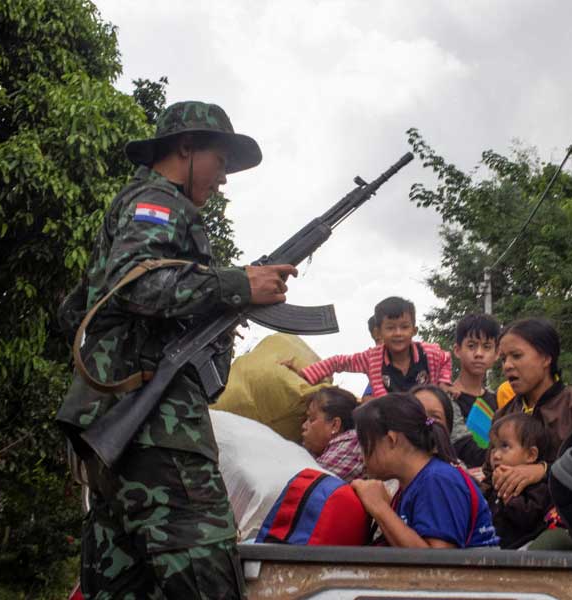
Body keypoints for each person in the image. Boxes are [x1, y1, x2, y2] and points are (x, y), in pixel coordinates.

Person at [56, 101, 296, 599]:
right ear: (186, 147)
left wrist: (211, 316)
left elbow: (77, 309)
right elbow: (137, 285)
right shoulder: (158, 202)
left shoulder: (139, 207)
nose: (223, 179)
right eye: (220, 162)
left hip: (120, 435)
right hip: (157, 434)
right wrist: (238, 284)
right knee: (208, 577)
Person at [350, 393, 499, 548]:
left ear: (391, 440)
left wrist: (379, 507)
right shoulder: (417, 481)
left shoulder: (438, 480)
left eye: (364, 444)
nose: (361, 456)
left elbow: (437, 559)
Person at [489, 318, 572, 502]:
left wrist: (544, 470)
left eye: (516, 356)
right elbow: (488, 472)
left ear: (546, 358)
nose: (507, 366)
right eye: (503, 359)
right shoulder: (503, 415)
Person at [297, 297, 452, 398]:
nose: (398, 333)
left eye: (404, 327)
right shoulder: (372, 359)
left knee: (447, 409)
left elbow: (445, 358)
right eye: (390, 328)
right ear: (378, 333)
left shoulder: (428, 352)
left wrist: (444, 382)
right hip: (391, 421)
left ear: (414, 330)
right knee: (366, 414)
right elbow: (338, 362)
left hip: (426, 418)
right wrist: (306, 374)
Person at [484, 413, 552, 549]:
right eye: (493, 448)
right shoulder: (491, 481)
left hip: (521, 551)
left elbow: (527, 519)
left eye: (505, 446)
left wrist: (507, 494)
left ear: (531, 455)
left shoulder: (538, 488)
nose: (496, 455)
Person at [448, 314, 501, 468]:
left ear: (497, 353)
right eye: (471, 346)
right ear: (457, 350)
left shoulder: (498, 399)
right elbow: (462, 447)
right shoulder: (447, 398)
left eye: (487, 347)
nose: (479, 353)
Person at [301, 387, 364, 482]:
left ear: (335, 425)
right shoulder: (322, 448)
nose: (304, 426)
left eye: (312, 419)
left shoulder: (348, 448)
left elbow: (303, 483)